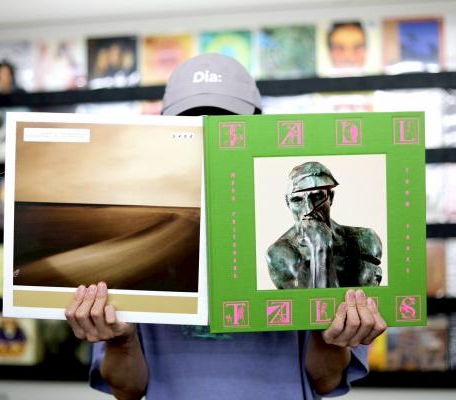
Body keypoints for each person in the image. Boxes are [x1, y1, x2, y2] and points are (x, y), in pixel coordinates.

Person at [65, 53, 386, 400]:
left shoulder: (347, 243)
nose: (212, 142)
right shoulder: (138, 235)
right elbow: (128, 388)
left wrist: (332, 332)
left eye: (228, 129)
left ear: (259, 128)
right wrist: (119, 338)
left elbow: (326, 380)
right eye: (194, 129)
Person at [266, 161, 382, 289]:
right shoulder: (280, 254)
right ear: (288, 203)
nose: (309, 209)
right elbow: (318, 300)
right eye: (297, 200)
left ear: (331, 197)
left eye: (317, 197)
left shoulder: (365, 240)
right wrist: (321, 249)